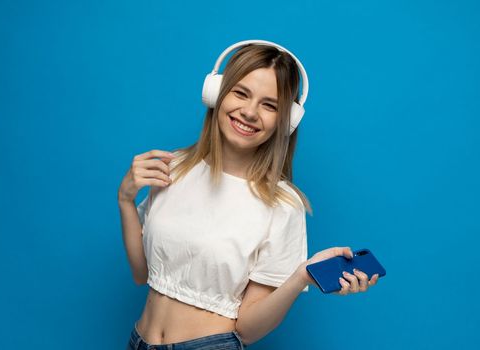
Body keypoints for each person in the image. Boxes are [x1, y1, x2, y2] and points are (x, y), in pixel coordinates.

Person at [117, 40, 379, 349]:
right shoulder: (175, 169)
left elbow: (247, 330)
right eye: (241, 93)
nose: (250, 112)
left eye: (270, 105)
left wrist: (300, 278)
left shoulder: (282, 206)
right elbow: (141, 273)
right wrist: (125, 200)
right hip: (139, 341)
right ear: (216, 93)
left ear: (287, 122)